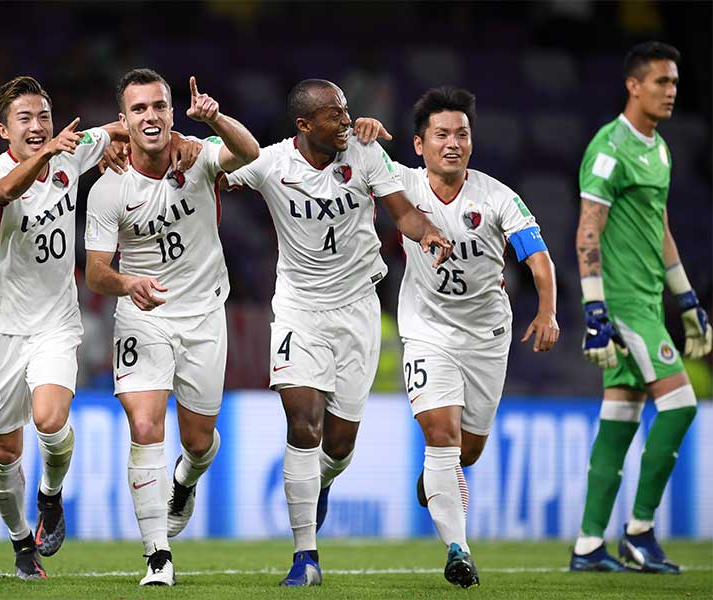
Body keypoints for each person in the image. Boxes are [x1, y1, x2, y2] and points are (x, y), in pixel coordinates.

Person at [224, 79, 452, 587]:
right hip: (299, 310)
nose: (347, 120)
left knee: (339, 446)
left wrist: (429, 232)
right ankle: (305, 556)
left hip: (357, 311)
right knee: (303, 425)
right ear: (304, 125)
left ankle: (322, 481)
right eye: (334, 114)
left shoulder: (365, 154)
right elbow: (210, 171)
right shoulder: (271, 163)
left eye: (347, 110)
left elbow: (403, 213)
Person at [0, 75, 191, 580]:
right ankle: (21, 541)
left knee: (50, 422)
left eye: (44, 116)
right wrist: (49, 152)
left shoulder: (70, 151)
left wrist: (178, 138)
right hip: (0, 328)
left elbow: (126, 127)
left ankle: (50, 496)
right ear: (4, 130)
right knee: (5, 452)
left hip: (55, 323)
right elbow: (7, 191)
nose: (37, 126)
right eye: (25, 119)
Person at [84, 68, 259, 586]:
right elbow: (95, 272)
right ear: (123, 121)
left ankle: (185, 479)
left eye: (159, 106)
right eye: (138, 109)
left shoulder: (199, 156)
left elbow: (249, 152)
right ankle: (157, 556)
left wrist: (214, 119)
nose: (151, 116)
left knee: (199, 441)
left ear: (171, 111)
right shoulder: (108, 187)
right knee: (144, 427)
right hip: (143, 316)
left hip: (204, 313)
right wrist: (127, 283)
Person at [387, 86, 559, 588]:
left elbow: (538, 258)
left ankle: (437, 477)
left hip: (486, 336)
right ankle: (458, 550)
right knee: (441, 436)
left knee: (467, 451)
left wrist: (547, 311)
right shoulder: (402, 183)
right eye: (441, 134)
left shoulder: (497, 196)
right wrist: (367, 130)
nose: (453, 143)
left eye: (461, 134)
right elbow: (353, 154)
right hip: (426, 330)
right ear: (419, 144)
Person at [570, 41, 711, 574]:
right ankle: (639, 532)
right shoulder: (609, 148)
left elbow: (661, 228)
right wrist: (596, 312)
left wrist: (687, 299)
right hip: (625, 304)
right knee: (681, 406)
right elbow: (587, 231)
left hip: (651, 299)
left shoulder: (661, 149)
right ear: (634, 85)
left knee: (621, 416)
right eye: (661, 82)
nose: (671, 91)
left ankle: (588, 545)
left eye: (674, 82)